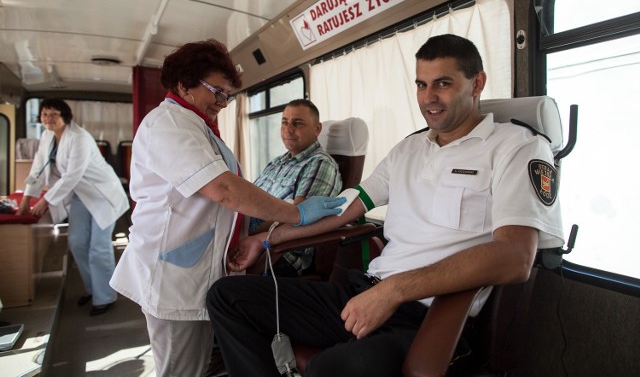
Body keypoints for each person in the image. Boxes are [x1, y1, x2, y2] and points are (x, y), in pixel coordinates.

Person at [206, 34, 565, 376]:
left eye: (443, 83)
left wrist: (394, 291)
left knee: (330, 369)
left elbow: (515, 257)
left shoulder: (517, 147)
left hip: (429, 314)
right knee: (227, 297)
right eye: (421, 85)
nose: (429, 98)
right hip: (367, 289)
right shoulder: (408, 148)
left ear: (477, 83)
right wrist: (268, 239)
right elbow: (346, 207)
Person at [108, 39, 345, 377]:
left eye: (226, 95)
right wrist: (296, 214)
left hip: (197, 263)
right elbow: (223, 189)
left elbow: (230, 194)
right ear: (183, 83)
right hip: (174, 271)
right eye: (216, 92)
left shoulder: (197, 125)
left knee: (192, 365)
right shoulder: (170, 125)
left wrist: (257, 238)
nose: (222, 102)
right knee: (179, 369)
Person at [17, 98, 129, 316]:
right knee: (76, 242)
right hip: (80, 195)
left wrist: (45, 201)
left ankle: (105, 296)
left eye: (53, 114)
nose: (48, 119)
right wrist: (25, 200)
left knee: (98, 247)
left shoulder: (79, 138)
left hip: (102, 195)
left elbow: (72, 176)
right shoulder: (47, 136)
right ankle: (92, 289)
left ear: (65, 116)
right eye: (44, 114)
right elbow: (38, 169)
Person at [250, 99, 342, 277]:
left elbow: (298, 217)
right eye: (285, 122)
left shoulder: (320, 163)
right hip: (254, 237)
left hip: (281, 252)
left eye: (297, 123)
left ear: (317, 129)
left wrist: (247, 232)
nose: (288, 130)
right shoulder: (277, 162)